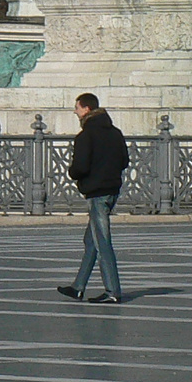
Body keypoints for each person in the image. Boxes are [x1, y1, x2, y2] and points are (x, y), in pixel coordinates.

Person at [58, 93, 127, 304]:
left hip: (96, 192)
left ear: (86, 109)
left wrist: (74, 173)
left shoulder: (86, 136)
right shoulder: (115, 133)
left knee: (102, 242)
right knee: (91, 240)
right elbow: (124, 160)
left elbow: (80, 167)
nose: (75, 111)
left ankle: (112, 290)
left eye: (77, 108)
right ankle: (78, 287)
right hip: (111, 189)